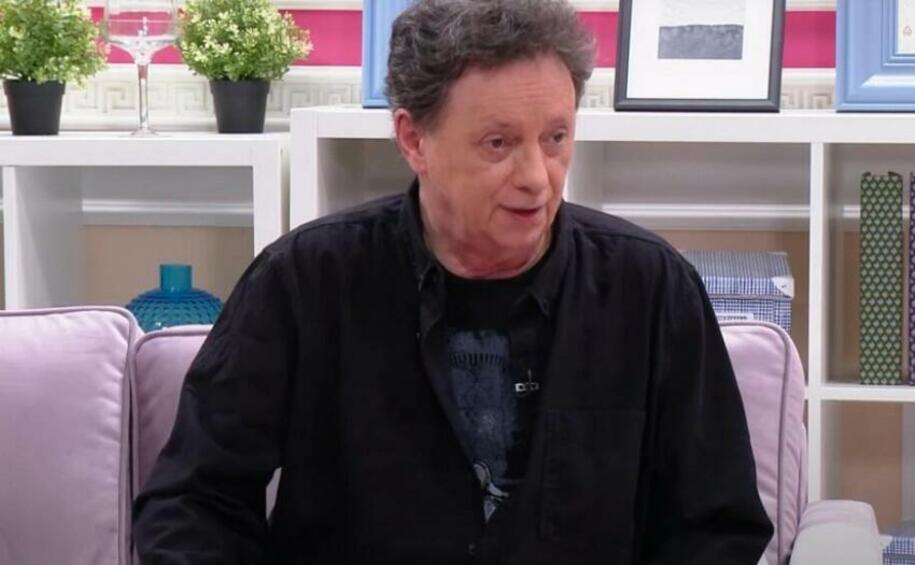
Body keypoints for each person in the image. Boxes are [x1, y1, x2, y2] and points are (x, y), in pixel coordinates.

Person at [132, 0, 773, 563]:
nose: (537, 177)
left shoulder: (650, 290)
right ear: (414, 139)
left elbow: (716, 527)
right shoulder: (302, 283)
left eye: (556, 137)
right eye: (498, 144)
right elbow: (193, 504)